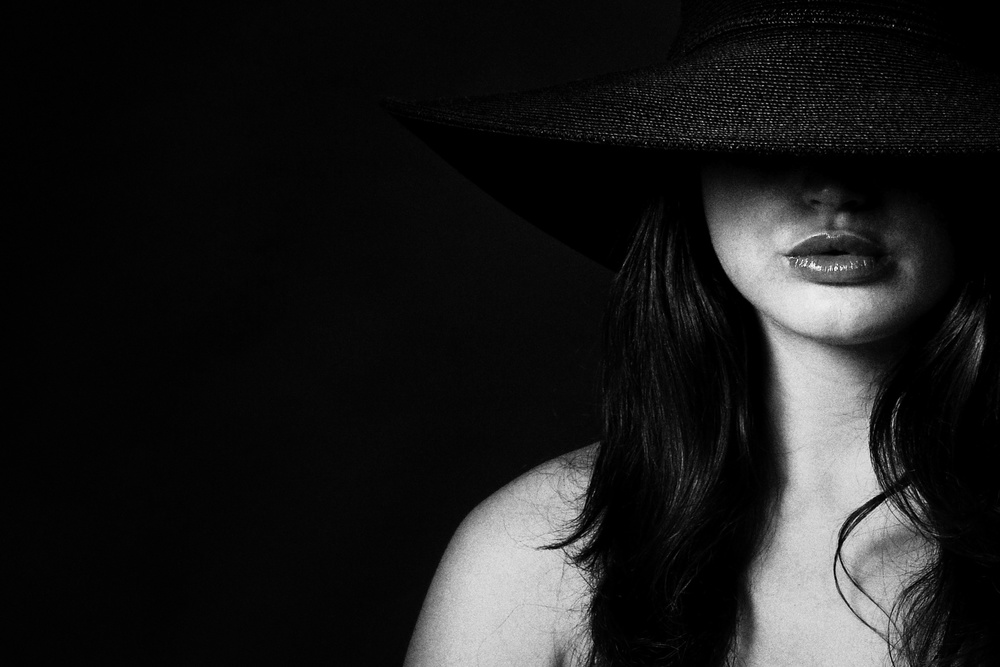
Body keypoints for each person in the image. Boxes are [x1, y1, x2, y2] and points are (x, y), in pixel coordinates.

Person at [387, 1, 999, 665]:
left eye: (892, 130)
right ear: (691, 172)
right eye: (768, 128)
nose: (833, 188)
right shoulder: (530, 560)